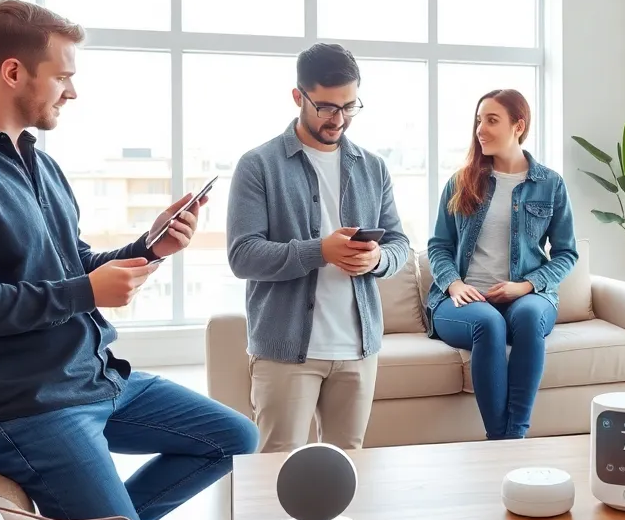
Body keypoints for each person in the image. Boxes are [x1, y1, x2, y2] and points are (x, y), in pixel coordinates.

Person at [0, 0, 259, 520]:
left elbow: (71, 264)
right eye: (62, 77)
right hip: (20, 407)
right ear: (13, 72)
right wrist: (87, 291)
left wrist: (149, 247)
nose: (72, 92)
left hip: (92, 379)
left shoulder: (38, 162)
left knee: (235, 438)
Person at [226, 42, 410, 454]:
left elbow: (399, 243)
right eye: (327, 107)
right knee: (275, 470)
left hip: (358, 349)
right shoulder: (258, 165)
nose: (339, 119)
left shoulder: (373, 167)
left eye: (349, 106)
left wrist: (379, 257)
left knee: (347, 471)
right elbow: (243, 256)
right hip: (286, 350)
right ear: (298, 96)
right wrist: (320, 252)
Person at [425, 89, 578, 440]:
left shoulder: (550, 185)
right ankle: (503, 442)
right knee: (489, 323)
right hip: (463, 301)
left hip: (527, 295)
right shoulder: (461, 181)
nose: (481, 129)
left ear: (518, 125)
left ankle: (515, 436)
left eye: (491, 120)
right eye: (479, 120)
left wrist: (525, 286)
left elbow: (566, 252)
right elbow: (439, 245)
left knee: (526, 317)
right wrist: (454, 284)